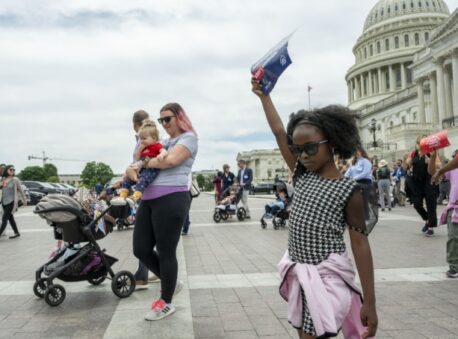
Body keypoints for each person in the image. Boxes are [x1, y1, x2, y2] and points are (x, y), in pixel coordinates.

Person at [251, 79, 377, 339]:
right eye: (298, 150)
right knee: (303, 332)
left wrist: (370, 303)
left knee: (311, 335)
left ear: (332, 143)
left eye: (309, 147)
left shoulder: (348, 189)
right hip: (300, 272)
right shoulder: (301, 175)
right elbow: (278, 133)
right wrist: (264, 96)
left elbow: (360, 244)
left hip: (327, 276)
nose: (303, 155)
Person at [131, 102, 197, 321]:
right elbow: (140, 161)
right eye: (161, 120)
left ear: (179, 117)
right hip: (148, 199)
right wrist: (138, 165)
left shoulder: (188, 138)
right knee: (140, 249)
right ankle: (171, 282)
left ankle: (166, 302)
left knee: (166, 250)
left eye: (167, 118)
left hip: (171, 198)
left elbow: (169, 161)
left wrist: (144, 162)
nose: (164, 124)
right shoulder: (164, 142)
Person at [118, 119, 168, 201]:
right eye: (140, 138)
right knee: (127, 180)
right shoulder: (144, 148)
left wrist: (161, 155)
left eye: (144, 138)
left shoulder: (156, 145)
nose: (142, 141)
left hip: (151, 170)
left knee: (142, 181)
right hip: (141, 168)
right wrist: (140, 149)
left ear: (154, 138)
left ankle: (135, 197)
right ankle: (123, 194)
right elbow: (137, 158)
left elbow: (164, 151)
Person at [405, 135, 440, 237]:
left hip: (429, 179)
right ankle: (427, 219)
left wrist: (431, 160)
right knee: (416, 203)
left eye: (426, 142)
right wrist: (408, 160)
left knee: (431, 203)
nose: (423, 144)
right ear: (418, 143)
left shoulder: (432, 152)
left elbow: (438, 165)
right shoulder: (414, 153)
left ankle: (430, 226)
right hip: (417, 181)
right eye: (421, 142)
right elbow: (406, 166)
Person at [431, 149, 458, 278]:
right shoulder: (452, 169)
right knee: (453, 238)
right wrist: (433, 157)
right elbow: (433, 173)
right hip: (455, 208)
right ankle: (454, 266)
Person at [0, 165, 27, 239]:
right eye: (11, 169)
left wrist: (25, 200)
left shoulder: (15, 179)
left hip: (11, 201)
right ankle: (16, 232)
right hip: (4, 202)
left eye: (14, 170)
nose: (12, 171)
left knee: (4, 218)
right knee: (10, 218)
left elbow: (21, 190)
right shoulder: (3, 178)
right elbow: (1, 188)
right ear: (7, 170)